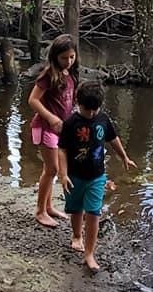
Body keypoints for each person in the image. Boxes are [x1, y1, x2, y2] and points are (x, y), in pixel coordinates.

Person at [58, 80, 136, 272]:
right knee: (76, 209)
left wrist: (124, 156)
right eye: (87, 110)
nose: (91, 114)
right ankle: (77, 236)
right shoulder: (71, 123)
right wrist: (62, 173)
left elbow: (112, 138)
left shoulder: (103, 119)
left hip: (97, 177)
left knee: (93, 213)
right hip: (75, 176)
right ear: (78, 103)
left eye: (95, 110)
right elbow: (62, 149)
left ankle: (90, 254)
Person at [28, 34, 79, 227]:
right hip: (44, 127)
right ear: (55, 56)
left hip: (60, 130)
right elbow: (32, 100)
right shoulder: (48, 75)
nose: (68, 61)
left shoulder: (71, 74)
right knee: (52, 169)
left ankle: (48, 207)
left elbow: (69, 103)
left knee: (51, 170)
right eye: (64, 58)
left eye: (72, 57)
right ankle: (40, 211)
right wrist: (50, 117)